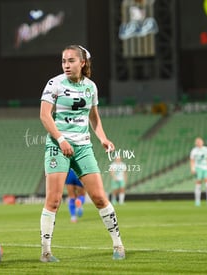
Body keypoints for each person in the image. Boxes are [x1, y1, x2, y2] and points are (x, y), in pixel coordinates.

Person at [39, 45, 125, 262]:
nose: (66, 65)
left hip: (83, 147)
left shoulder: (91, 87)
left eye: (71, 61)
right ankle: (46, 252)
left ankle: (118, 245)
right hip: (58, 146)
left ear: (82, 63)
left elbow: (94, 117)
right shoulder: (54, 83)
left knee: (98, 197)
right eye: (63, 61)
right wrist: (60, 139)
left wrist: (103, 138)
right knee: (54, 200)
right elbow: (44, 115)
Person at [190, 137, 207, 206]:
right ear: (195, 143)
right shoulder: (194, 151)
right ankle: (197, 201)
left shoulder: (206, 149)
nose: (198, 143)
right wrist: (192, 168)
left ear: (202, 142)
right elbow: (192, 160)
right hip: (198, 168)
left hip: (205, 168)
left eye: (200, 141)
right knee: (198, 185)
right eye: (197, 142)